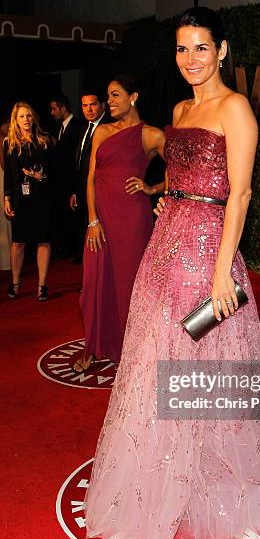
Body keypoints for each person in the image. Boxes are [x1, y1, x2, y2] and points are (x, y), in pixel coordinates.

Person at [84, 7, 260, 539]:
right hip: (164, 248)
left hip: (207, 255)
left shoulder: (236, 109)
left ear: (222, 50)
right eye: (182, 49)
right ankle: (160, 474)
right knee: (154, 361)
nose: (191, 59)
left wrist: (223, 265)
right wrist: (159, 194)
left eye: (201, 48)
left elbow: (241, 193)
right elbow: (179, 179)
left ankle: (207, 477)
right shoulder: (180, 108)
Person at [73, 75, 165, 372]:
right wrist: (92, 220)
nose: (109, 101)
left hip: (131, 221)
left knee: (129, 285)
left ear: (133, 96)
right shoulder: (102, 131)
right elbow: (90, 178)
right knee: (93, 283)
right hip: (100, 221)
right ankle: (94, 346)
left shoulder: (150, 135)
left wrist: (153, 188)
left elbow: (184, 171)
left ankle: (132, 350)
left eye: (115, 95)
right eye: (108, 96)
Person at [3, 102, 54, 300]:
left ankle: (42, 285)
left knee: (43, 240)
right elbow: (8, 173)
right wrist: (7, 197)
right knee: (18, 243)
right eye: (22, 116)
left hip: (42, 198)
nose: (26, 120)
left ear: (34, 118)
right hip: (19, 199)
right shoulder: (10, 143)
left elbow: (53, 170)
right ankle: (15, 281)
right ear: (15, 120)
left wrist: (40, 175)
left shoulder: (44, 140)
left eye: (29, 116)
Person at [70, 90, 110, 263]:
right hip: (84, 192)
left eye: (93, 104)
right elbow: (80, 164)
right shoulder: (83, 128)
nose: (89, 109)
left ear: (102, 105)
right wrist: (75, 192)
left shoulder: (110, 128)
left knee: (101, 240)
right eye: (85, 106)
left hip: (102, 193)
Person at [50, 93, 81, 258]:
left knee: (74, 217)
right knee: (65, 217)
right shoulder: (59, 127)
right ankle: (68, 248)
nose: (52, 112)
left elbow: (76, 158)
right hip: (61, 182)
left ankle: (76, 250)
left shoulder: (77, 126)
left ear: (63, 108)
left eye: (54, 108)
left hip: (73, 181)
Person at [0, 116, 12, 270]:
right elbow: (4, 164)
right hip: (2, 178)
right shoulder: (2, 139)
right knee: (4, 222)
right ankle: (6, 261)